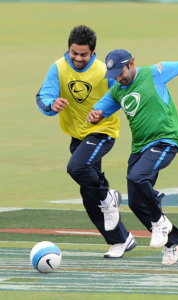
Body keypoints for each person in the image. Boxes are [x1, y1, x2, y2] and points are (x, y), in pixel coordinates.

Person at [86, 49, 178, 265]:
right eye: (113, 74)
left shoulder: (154, 72)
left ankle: (160, 221)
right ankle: (174, 241)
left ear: (131, 64)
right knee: (135, 202)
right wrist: (95, 116)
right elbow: (99, 112)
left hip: (165, 140)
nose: (118, 77)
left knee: (137, 178)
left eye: (120, 72)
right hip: (139, 148)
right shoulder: (117, 90)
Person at [36, 27, 137, 258]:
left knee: (76, 167)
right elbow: (43, 96)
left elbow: (124, 95)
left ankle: (109, 196)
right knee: (88, 195)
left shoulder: (104, 71)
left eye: (84, 54)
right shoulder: (58, 67)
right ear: (69, 49)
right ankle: (121, 239)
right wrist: (52, 105)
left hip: (103, 132)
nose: (78, 58)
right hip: (78, 136)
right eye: (74, 53)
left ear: (93, 52)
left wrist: (102, 112)